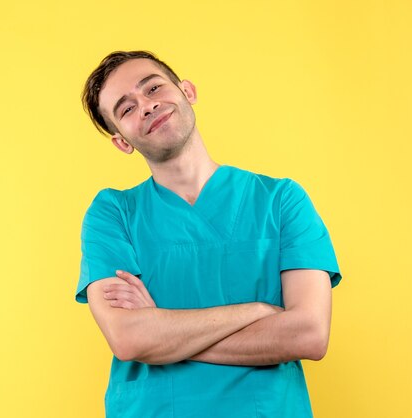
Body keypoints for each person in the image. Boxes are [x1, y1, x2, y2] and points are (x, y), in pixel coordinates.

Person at [75, 50, 342, 418]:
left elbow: (309, 334)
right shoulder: (113, 214)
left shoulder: (281, 200)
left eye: (153, 88)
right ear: (122, 141)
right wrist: (258, 311)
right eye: (127, 109)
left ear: (187, 91)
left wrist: (163, 335)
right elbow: (129, 338)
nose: (147, 106)